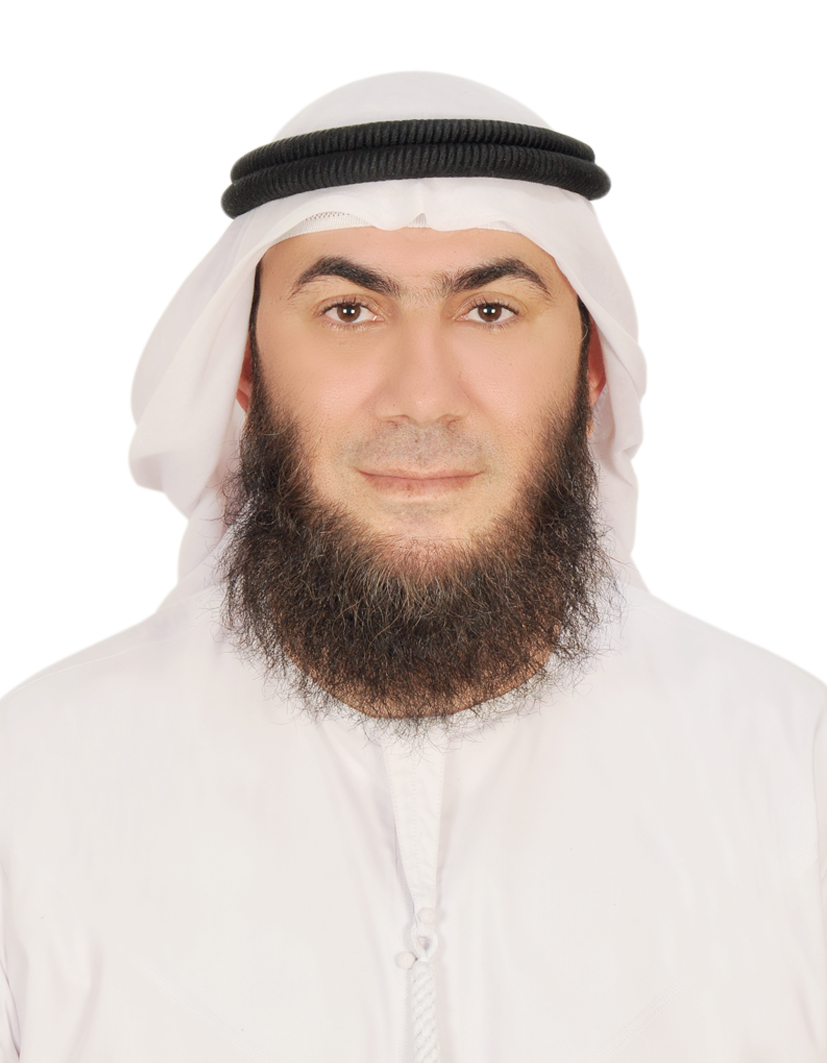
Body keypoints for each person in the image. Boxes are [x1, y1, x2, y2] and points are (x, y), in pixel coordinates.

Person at [1, 71, 825, 1062]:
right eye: (348, 311)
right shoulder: (33, 791)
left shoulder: (794, 776)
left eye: (491, 312)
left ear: (591, 367)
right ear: (247, 370)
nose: (423, 398)